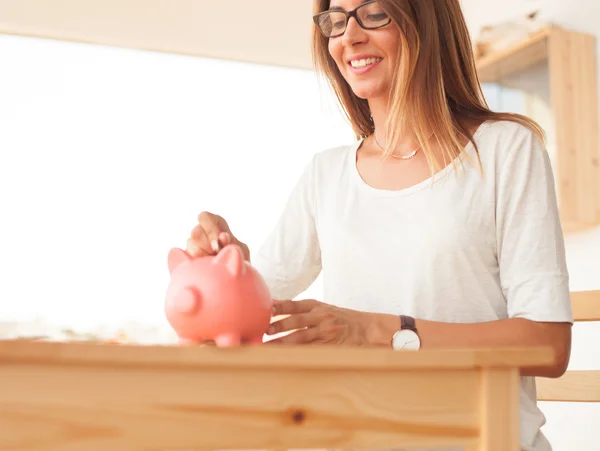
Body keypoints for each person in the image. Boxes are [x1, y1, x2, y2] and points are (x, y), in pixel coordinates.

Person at [185, 0, 573, 449]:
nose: (348, 36)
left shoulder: (506, 150)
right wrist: (223, 268)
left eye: (373, 13)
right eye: (336, 20)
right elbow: (254, 309)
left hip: (479, 438)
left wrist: (374, 330)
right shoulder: (325, 174)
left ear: (425, 22)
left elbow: (547, 344)